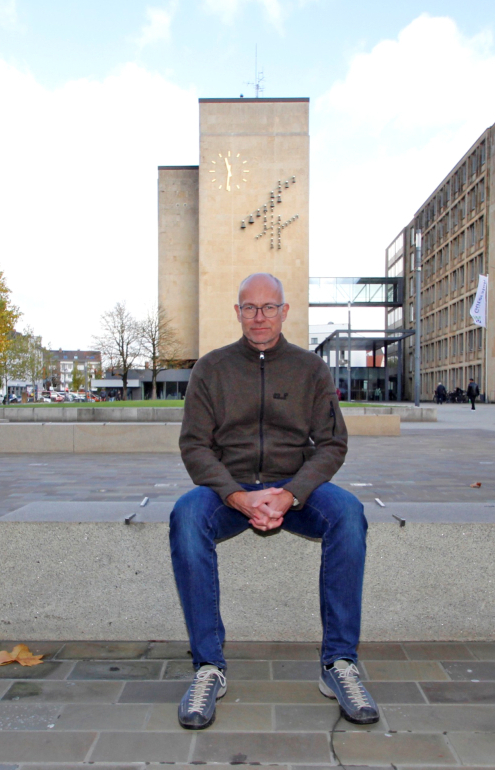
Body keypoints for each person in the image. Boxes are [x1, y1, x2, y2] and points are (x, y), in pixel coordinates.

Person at [171, 272, 377, 730]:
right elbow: (194, 446)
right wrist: (237, 496)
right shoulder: (212, 368)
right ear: (237, 311)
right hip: (231, 486)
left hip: (294, 485)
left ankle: (339, 664)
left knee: (348, 513)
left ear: (285, 311)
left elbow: (332, 444)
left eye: (268, 307)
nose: (259, 316)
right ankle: (208, 667)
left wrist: (290, 494)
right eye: (249, 307)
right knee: (185, 517)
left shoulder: (310, 369)